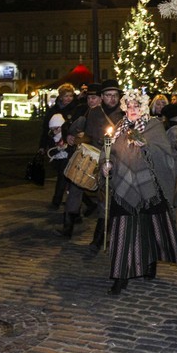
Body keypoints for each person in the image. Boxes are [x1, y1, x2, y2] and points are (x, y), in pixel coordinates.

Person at [100, 89, 177, 295]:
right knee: (122, 231)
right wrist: (105, 164)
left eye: (136, 106)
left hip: (150, 188)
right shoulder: (119, 128)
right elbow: (107, 151)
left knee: (149, 228)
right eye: (129, 107)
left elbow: (166, 155)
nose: (132, 110)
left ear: (143, 107)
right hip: (123, 187)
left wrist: (146, 146)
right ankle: (120, 276)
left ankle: (149, 263)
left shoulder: (153, 126)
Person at [63, 80, 124, 243]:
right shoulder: (94, 112)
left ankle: (98, 239)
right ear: (102, 97)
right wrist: (75, 138)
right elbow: (87, 134)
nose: (112, 99)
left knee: (106, 199)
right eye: (108, 95)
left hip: (113, 161)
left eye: (115, 96)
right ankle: (67, 228)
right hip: (93, 157)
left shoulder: (124, 114)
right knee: (75, 186)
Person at [38, 82, 78, 210]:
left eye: (70, 96)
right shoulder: (53, 110)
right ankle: (85, 202)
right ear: (60, 96)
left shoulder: (75, 109)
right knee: (64, 174)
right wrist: (43, 145)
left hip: (68, 147)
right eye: (66, 96)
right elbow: (45, 129)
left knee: (63, 173)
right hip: (55, 146)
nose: (68, 99)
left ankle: (57, 200)